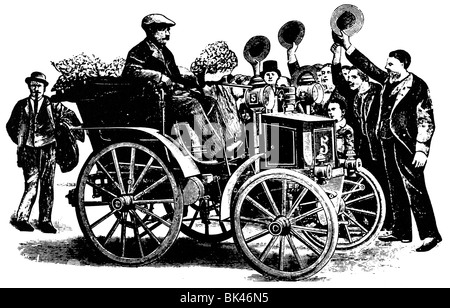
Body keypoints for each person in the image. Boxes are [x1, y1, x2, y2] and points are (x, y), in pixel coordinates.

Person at [340, 32, 442, 252]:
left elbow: (426, 119)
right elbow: (368, 67)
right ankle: (401, 231)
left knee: (414, 187)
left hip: (406, 144)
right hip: (386, 142)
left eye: (391, 65)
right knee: (394, 186)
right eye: (387, 64)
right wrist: (349, 46)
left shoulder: (418, 86)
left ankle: (430, 234)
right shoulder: (388, 80)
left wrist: (422, 150)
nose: (387, 68)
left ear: (404, 65)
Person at [122, 13, 223, 159]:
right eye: (163, 30)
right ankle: (213, 146)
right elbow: (131, 72)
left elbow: (175, 77)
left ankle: (214, 146)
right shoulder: (139, 51)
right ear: (151, 30)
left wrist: (196, 83)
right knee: (192, 104)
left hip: (168, 98)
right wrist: (158, 76)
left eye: (168, 30)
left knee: (208, 99)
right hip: (149, 103)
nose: (167, 34)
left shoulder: (167, 53)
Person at [6, 72, 82, 233]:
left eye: (39, 86)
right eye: (33, 85)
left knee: (47, 185)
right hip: (28, 150)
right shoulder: (21, 105)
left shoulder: (53, 105)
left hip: (49, 148)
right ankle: (22, 218)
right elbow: (11, 126)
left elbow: (71, 116)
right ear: (29, 86)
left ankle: (45, 221)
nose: (36, 89)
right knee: (31, 184)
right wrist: (22, 141)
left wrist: (66, 127)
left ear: (44, 88)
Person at [330, 43, 392, 230]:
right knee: (363, 183)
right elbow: (338, 80)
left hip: (379, 147)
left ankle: (387, 223)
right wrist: (337, 56)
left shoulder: (379, 92)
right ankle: (367, 221)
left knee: (384, 184)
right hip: (362, 147)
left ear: (364, 78)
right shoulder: (354, 95)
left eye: (354, 77)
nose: (350, 80)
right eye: (350, 77)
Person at [324, 94, 354, 159]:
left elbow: (350, 151)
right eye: (329, 110)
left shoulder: (347, 129)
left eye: (333, 109)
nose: (330, 112)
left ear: (342, 112)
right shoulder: (325, 128)